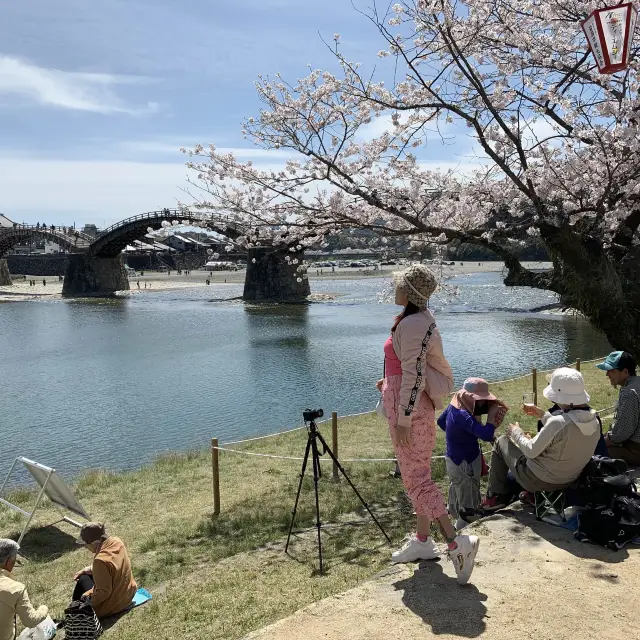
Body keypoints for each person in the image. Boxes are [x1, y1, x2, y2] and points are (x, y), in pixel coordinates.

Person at [377, 264, 479, 584]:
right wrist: (389, 384)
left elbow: (414, 374)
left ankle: (455, 542)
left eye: (399, 285)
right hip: (407, 404)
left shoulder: (415, 323)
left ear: (409, 292)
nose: (395, 289)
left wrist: (404, 416)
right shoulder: (416, 320)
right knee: (418, 475)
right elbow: (407, 370)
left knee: (416, 480)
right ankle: (423, 542)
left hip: (410, 411)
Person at [482, 368, 600, 511]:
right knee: (527, 443)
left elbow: (531, 451)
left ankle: (495, 496)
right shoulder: (594, 420)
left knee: (501, 442)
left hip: (540, 480)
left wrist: (515, 432)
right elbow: (569, 426)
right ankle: (529, 496)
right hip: (570, 479)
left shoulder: (558, 423)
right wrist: (543, 415)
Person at [438, 379, 507, 530]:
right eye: (480, 400)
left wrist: (459, 435)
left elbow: (441, 422)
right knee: (468, 498)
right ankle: (463, 529)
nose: (483, 404)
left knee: (459, 490)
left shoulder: (455, 404)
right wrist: (490, 419)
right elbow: (486, 435)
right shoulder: (463, 415)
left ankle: (457, 518)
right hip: (464, 462)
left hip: (453, 457)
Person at [72, 523, 137, 619]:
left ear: (94, 542)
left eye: (86, 544)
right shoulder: (117, 542)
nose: (85, 547)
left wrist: (86, 598)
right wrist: (89, 569)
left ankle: (75, 614)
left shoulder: (100, 561)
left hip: (116, 604)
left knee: (83, 580)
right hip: (128, 594)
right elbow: (113, 563)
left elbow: (104, 592)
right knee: (86, 577)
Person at [597, 351, 640, 466]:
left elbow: (622, 433)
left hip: (636, 449)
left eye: (612, 371)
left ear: (625, 372)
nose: (607, 374)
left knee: (597, 453)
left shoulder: (630, 393)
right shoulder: (636, 383)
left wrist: (601, 442)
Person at [0, 539, 48, 640]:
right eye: (15, 561)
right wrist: (44, 608)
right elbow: (31, 621)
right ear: (9, 561)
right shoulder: (16, 589)